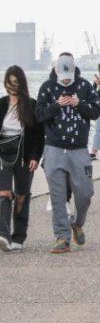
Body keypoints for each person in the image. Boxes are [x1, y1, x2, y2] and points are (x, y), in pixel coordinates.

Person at [35, 53, 100, 254]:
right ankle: (61, 238)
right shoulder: (47, 87)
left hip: (79, 149)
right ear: (55, 70)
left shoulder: (84, 86)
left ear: (74, 70)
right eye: (62, 75)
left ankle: (77, 223)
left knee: (85, 193)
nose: (65, 80)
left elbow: (97, 112)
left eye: (69, 75)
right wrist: (57, 105)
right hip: (54, 148)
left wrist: (78, 103)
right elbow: (39, 115)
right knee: (57, 196)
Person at [0, 66, 44, 251]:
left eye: (16, 82)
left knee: (21, 196)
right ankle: (3, 235)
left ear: (22, 83)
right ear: (5, 83)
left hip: (25, 157)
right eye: (9, 82)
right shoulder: (1, 104)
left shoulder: (31, 105)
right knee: (3, 194)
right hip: (3, 156)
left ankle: (19, 235)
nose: (12, 86)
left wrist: (35, 156)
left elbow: (38, 135)